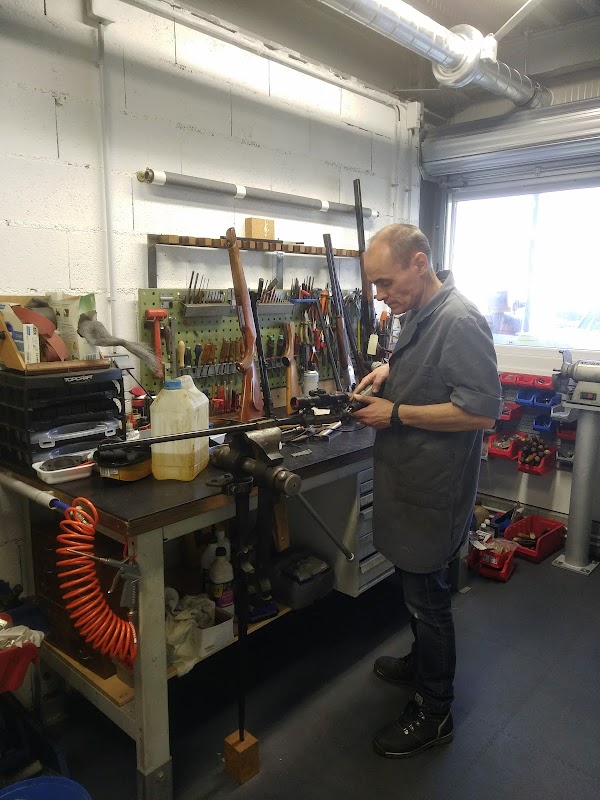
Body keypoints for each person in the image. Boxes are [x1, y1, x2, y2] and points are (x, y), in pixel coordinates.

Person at [352, 224, 502, 759]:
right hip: (409, 476)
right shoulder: (419, 311)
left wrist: (395, 412)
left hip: (434, 485)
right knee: (415, 587)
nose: (380, 295)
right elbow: (431, 367)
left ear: (420, 263)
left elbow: (482, 411)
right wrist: (388, 369)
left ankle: (434, 709)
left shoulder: (461, 320)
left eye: (385, 282)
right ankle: (421, 662)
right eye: (374, 286)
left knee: (428, 598)